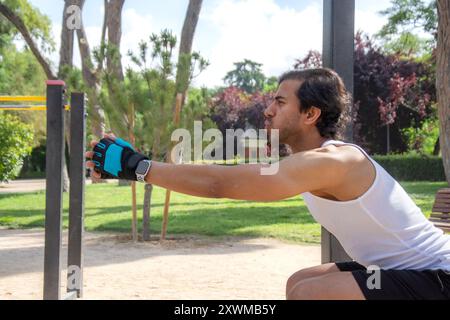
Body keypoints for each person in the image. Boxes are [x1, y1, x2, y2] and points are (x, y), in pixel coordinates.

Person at [86, 68, 450, 300]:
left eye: (279, 101)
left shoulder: (337, 162)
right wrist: (138, 165)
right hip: (395, 273)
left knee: (314, 294)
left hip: (439, 278)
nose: (268, 110)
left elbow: (218, 184)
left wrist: (138, 166)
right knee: (298, 284)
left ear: (310, 114)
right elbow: (223, 178)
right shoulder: (306, 162)